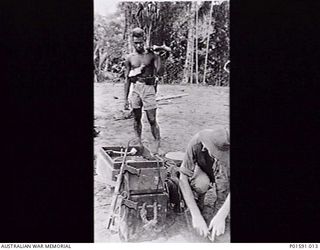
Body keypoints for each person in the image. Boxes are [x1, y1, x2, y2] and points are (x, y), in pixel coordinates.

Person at [179, 125, 230, 241]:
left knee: (223, 194)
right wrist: (195, 215)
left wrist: (221, 215)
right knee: (201, 184)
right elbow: (183, 177)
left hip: (225, 175)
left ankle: (218, 220)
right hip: (204, 170)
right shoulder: (196, 142)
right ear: (207, 146)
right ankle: (199, 204)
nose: (219, 157)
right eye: (217, 153)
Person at [124, 27, 161, 154]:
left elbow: (160, 72)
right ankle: (138, 141)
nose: (139, 45)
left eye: (140, 42)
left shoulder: (151, 55)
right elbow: (127, 79)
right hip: (136, 88)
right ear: (132, 42)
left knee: (152, 119)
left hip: (149, 87)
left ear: (144, 40)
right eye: (136, 42)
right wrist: (125, 99)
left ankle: (156, 142)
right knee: (136, 118)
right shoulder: (130, 58)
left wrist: (160, 56)